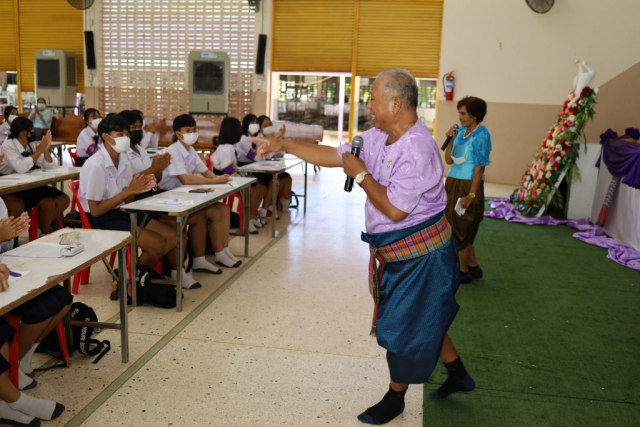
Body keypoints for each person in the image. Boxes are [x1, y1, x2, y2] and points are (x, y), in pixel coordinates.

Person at [255, 69, 475, 425]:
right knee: (423, 316)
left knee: (404, 326)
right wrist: (285, 145)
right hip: (399, 254)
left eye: (372, 98)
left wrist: (360, 174)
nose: (368, 105)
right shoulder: (378, 137)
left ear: (396, 103)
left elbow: (395, 209)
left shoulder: (418, 148)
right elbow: (334, 155)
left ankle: (395, 397)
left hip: (423, 257)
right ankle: (457, 373)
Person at [119, 110, 221, 285]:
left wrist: (158, 169)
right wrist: (154, 169)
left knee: (196, 216)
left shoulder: (141, 150)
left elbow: (154, 179)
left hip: (150, 195)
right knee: (176, 222)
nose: (137, 131)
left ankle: (194, 261)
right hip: (136, 201)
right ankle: (175, 270)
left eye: (139, 127)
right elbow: (131, 183)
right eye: (133, 127)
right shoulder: (122, 154)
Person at [78, 115, 179, 273]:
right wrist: (129, 191)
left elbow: (128, 200)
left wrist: (136, 188)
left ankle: (134, 275)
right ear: (106, 137)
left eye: (126, 134)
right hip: (100, 219)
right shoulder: (96, 165)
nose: (125, 138)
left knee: (172, 237)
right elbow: (95, 210)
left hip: (122, 210)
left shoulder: (123, 159)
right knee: (156, 243)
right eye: (120, 135)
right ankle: (129, 278)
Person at [158, 114, 241, 269]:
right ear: (178, 134)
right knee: (212, 213)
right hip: (170, 197)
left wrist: (220, 178)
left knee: (223, 208)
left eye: (194, 130)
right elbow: (186, 180)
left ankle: (224, 250)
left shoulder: (191, 151)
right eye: (188, 130)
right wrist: (214, 181)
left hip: (185, 195)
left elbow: (207, 173)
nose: (192, 133)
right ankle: (214, 255)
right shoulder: (172, 152)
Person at [443, 96, 491, 284]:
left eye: (463, 113)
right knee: (456, 225)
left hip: (468, 185)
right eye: (459, 113)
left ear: (474, 115)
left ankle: (462, 271)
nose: (460, 117)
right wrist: (450, 140)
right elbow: (448, 160)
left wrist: (471, 194)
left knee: (461, 227)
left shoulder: (482, 135)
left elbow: (479, 169)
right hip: (453, 182)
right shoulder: (460, 132)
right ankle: (472, 266)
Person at [0, 117, 70, 236]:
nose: (33, 133)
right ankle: (42, 232)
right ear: (23, 132)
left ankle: (41, 230)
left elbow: (48, 165)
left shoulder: (30, 145)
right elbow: (21, 167)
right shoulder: (7, 146)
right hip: (12, 187)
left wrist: (45, 148)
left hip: (29, 184)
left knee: (64, 199)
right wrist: (39, 151)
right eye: (31, 130)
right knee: (47, 204)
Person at [214, 117, 267, 234]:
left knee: (261, 188)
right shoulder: (226, 148)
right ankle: (246, 221)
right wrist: (244, 180)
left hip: (229, 177)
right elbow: (228, 171)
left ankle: (251, 217)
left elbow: (232, 169)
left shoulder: (230, 146)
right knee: (253, 191)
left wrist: (243, 177)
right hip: (223, 180)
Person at [256, 115, 293, 213]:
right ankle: (266, 208)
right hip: (260, 169)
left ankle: (281, 206)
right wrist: (277, 141)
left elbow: (280, 154)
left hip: (271, 167)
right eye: (265, 126)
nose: (268, 127)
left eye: (270, 124)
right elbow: (265, 155)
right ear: (260, 129)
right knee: (276, 181)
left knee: (287, 179)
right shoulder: (259, 139)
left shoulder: (271, 137)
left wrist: (279, 140)